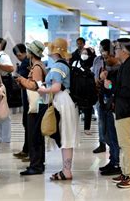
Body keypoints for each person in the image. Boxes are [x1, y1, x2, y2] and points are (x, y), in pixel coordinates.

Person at [38, 38, 78, 181]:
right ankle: (66, 170)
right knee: (66, 136)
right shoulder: (63, 65)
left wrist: (43, 90)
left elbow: (56, 87)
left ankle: (66, 171)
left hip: (62, 102)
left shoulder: (57, 67)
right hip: (66, 101)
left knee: (65, 136)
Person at [106, 38, 130, 189]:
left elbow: (126, 90)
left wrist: (110, 86)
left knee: (126, 143)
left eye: (117, 48)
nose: (114, 51)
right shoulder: (126, 64)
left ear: (124, 50)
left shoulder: (128, 66)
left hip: (126, 108)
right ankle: (126, 172)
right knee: (123, 142)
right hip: (124, 108)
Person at [15, 40, 47, 175]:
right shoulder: (37, 65)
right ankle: (37, 163)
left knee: (34, 135)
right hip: (37, 105)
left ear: (31, 53)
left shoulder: (37, 67)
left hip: (35, 106)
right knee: (36, 135)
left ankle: (36, 165)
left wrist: (22, 79)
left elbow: (35, 86)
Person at [98, 41, 122, 176]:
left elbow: (119, 89)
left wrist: (110, 86)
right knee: (106, 134)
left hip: (114, 107)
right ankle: (112, 160)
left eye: (107, 57)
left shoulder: (120, 69)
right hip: (105, 104)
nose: (106, 60)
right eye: (104, 57)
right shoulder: (107, 69)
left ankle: (116, 163)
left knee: (113, 136)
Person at [12, 43, 31, 160]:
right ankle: (26, 149)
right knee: (27, 123)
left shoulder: (26, 63)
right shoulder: (29, 62)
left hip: (29, 98)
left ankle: (29, 151)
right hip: (28, 97)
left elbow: (23, 80)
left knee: (29, 124)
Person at [0, 38, 15, 144]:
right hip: (0, 83)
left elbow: (11, 68)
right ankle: (1, 136)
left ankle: (5, 137)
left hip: (4, 83)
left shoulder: (3, 56)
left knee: (4, 111)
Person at [92, 39, 110, 154]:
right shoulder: (97, 60)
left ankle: (114, 143)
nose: (100, 50)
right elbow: (94, 73)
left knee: (111, 120)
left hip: (110, 94)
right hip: (99, 93)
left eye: (102, 48)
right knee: (101, 120)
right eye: (100, 48)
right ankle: (102, 143)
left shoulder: (113, 61)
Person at [72, 47, 95, 135]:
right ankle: (75, 128)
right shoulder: (76, 63)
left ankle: (87, 128)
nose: (84, 55)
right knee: (76, 110)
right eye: (83, 53)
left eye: (86, 53)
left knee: (88, 109)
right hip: (77, 89)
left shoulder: (91, 64)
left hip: (88, 90)